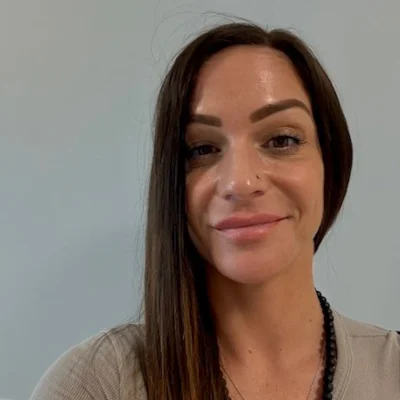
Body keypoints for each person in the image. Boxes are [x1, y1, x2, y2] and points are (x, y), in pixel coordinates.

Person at [30, 21, 400, 400]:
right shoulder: (98, 385)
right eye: (203, 149)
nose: (240, 182)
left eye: (281, 140)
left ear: (330, 164)